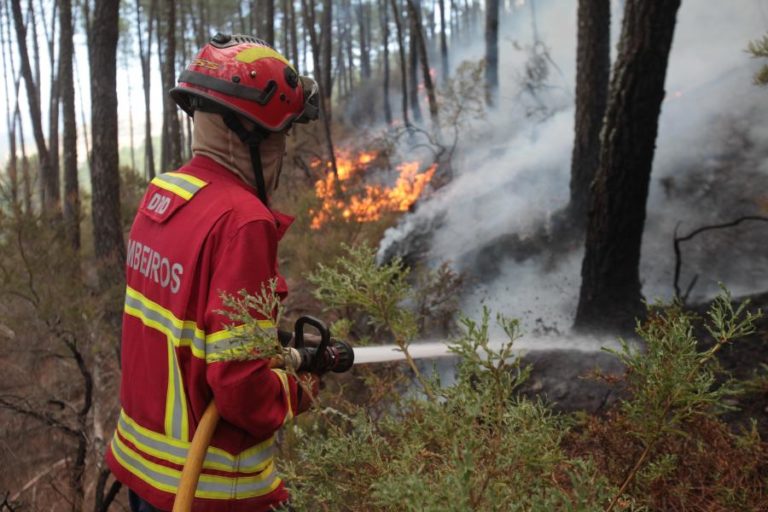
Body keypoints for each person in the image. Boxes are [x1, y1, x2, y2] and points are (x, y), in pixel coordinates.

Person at [106, 34, 320, 512]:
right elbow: (240, 386)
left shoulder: (164, 196)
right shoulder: (244, 222)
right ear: (255, 136)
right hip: (208, 491)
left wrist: (269, 340)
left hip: (144, 474)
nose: (283, 150)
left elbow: (192, 325)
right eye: (283, 135)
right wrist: (298, 386)